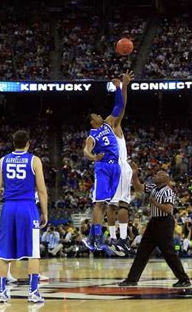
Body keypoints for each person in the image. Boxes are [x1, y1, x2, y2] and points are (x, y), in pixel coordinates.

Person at [0, 130, 48, 303]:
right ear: (28, 143)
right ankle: (33, 293)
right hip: (27, 207)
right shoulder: (34, 160)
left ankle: (1, 292)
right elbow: (42, 190)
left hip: (8, 207)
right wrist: (45, 212)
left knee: (3, 253)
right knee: (33, 253)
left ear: (13, 142)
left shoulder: (3, 161)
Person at [119, 163, 191, 288]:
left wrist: (154, 202)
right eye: (156, 174)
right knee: (142, 250)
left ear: (165, 179)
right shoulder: (153, 187)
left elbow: (168, 209)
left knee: (168, 252)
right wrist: (135, 175)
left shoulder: (168, 191)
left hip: (165, 222)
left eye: (159, 175)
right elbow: (139, 187)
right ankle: (132, 279)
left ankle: (184, 279)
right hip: (154, 222)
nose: (156, 176)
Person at [82, 76, 128, 254]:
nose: (100, 115)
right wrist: (93, 157)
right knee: (100, 202)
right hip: (103, 168)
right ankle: (95, 237)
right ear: (93, 122)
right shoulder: (92, 135)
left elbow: (119, 106)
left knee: (109, 204)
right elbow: (86, 150)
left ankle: (96, 237)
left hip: (115, 167)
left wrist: (118, 88)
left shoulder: (109, 123)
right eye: (96, 115)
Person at [107, 71, 135, 257]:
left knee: (111, 205)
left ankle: (111, 238)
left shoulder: (100, 131)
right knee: (124, 204)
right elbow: (121, 105)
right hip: (121, 167)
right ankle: (123, 239)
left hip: (108, 168)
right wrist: (122, 86)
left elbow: (120, 107)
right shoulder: (113, 124)